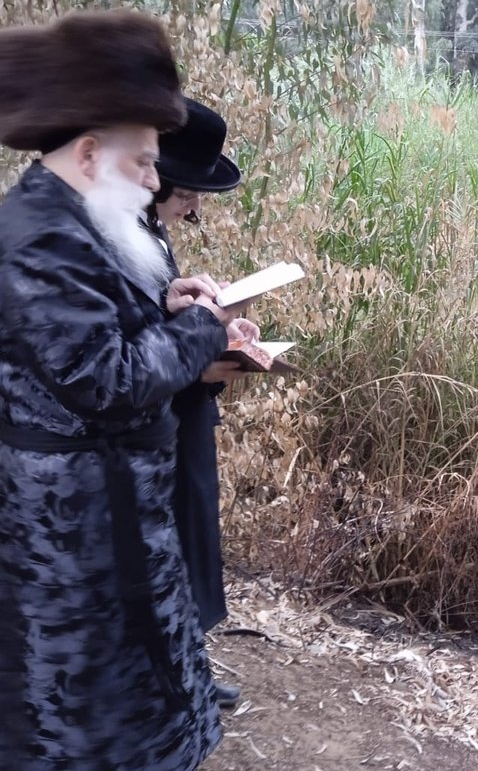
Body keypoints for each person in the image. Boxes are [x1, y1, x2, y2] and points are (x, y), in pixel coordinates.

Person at [0, 10, 244, 769]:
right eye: (144, 163)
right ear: (90, 150)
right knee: (75, 717)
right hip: (66, 535)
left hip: (111, 518)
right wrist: (201, 328)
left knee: (136, 699)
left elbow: (99, 332)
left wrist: (166, 304)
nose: (152, 182)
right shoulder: (36, 234)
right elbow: (102, 379)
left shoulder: (77, 221)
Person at [147, 97, 254, 709]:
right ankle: (176, 677)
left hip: (182, 412)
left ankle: (187, 666)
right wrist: (197, 343)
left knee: (192, 538)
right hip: (157, 416)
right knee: (173, 546)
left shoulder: (149, 232)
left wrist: (209, 331)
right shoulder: (112, 235)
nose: (194, 205)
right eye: (186, 191)